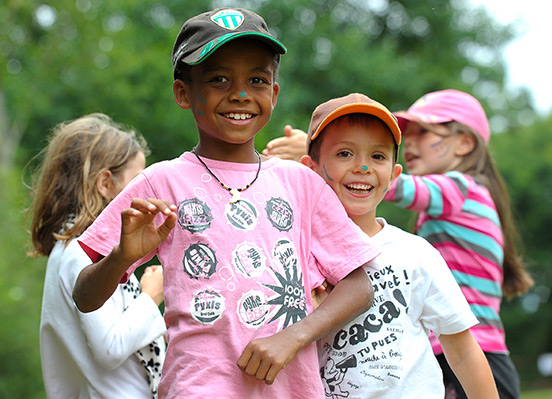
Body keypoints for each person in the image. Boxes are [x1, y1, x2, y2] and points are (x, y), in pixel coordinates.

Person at [71, 8, 380, 399]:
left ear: (274, 93)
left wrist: (293, 337)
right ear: (184, 93)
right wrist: (119, 257)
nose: (240, 94)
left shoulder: (301, 183)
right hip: (197, 388)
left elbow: (358, 287)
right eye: (218, 79)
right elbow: (84, 297)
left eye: (257, 80)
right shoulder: (160, 182)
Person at [263, 89, 533, 399]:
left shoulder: (462, 189)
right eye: (345, 153)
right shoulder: (296, 249)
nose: (363, 166)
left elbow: (404, 189)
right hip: (433, 344)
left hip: (472, 346)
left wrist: (307, 158)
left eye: (423, 132)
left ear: (464, 143)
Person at [28, 113, 166, 399]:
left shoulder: (75, 249)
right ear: (106, 184)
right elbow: (110, 347)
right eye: (137, 181)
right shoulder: (80, 253)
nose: (145, 191)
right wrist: (151, 296)